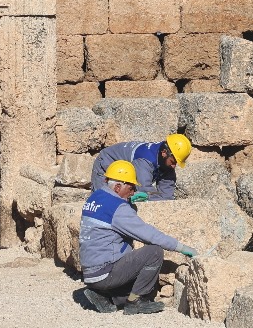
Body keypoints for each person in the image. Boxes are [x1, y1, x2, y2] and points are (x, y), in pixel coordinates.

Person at [77, 159, 196, 314]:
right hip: (105, 272)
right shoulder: (118, 209)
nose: (133, 192)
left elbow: (110, 213)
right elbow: (149, 235)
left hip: (90, 273)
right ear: (118, 187)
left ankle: (102, 294)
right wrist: (182, 247)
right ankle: (135, 303)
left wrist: (128, 201)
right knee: (154, 253)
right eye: (131, 188)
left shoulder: (96, 197)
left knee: (135, 287)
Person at [89, 133, 191, 201]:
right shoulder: (145, 160)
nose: (174, 166)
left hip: (128, 170)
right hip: (107, 163)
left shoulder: (166, 161)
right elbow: (145, 191)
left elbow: (167, 197)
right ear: (164, 153)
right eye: (173, 162)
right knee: (102, 201)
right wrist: (151, 197)